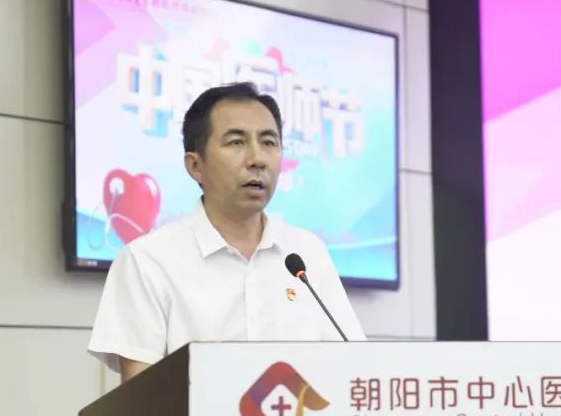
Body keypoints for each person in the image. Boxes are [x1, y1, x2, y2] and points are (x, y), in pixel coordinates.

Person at [88, 82, 366, 382]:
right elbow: (140, 395)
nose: (257, 159)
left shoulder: (307, 253)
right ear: (195, 165)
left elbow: (352, 368)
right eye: (236, 142)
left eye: (269, 142)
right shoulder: (147, 261)